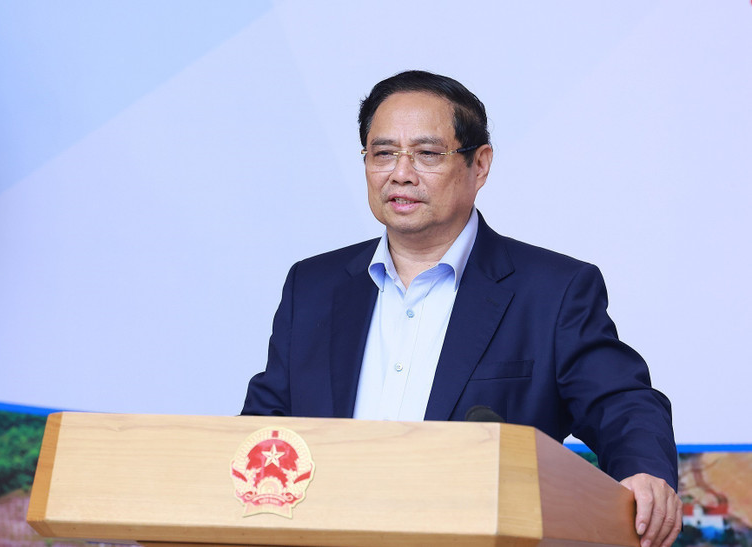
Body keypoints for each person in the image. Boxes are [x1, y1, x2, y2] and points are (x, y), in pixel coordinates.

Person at [242, 70, 682, 547]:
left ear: (480, 165)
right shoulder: (313, 287)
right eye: (383, 153)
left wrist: (644, 473)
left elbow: (622, 402)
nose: (401, 173)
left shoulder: (551, 291)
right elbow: (264, 430)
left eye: (427, 153)